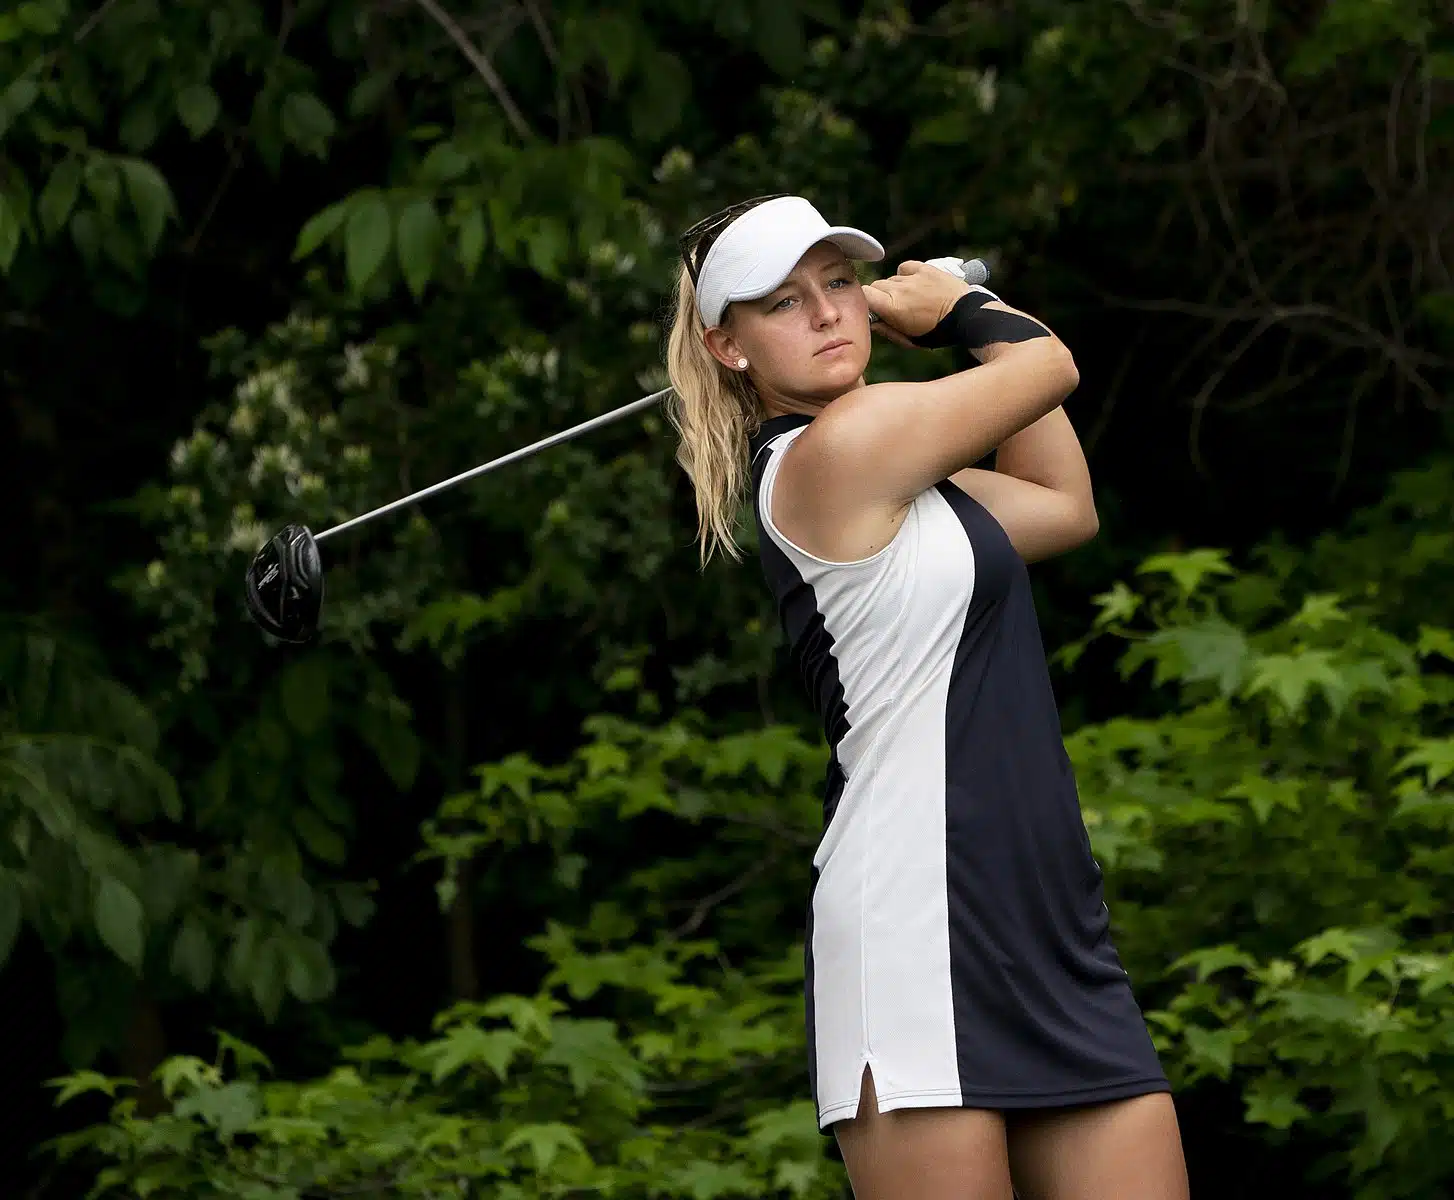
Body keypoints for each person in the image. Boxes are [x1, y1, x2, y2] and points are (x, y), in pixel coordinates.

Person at [663, 194, 1191, 1200]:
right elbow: (1045, 366)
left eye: (838, 284)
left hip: (1049, 924)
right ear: (724, 347)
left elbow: (1060, 506)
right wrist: (953, 311)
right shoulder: (836, 453)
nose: (824, 314)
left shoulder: (914, 482)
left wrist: (967, 327)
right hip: (915, 921)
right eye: (781, 302)